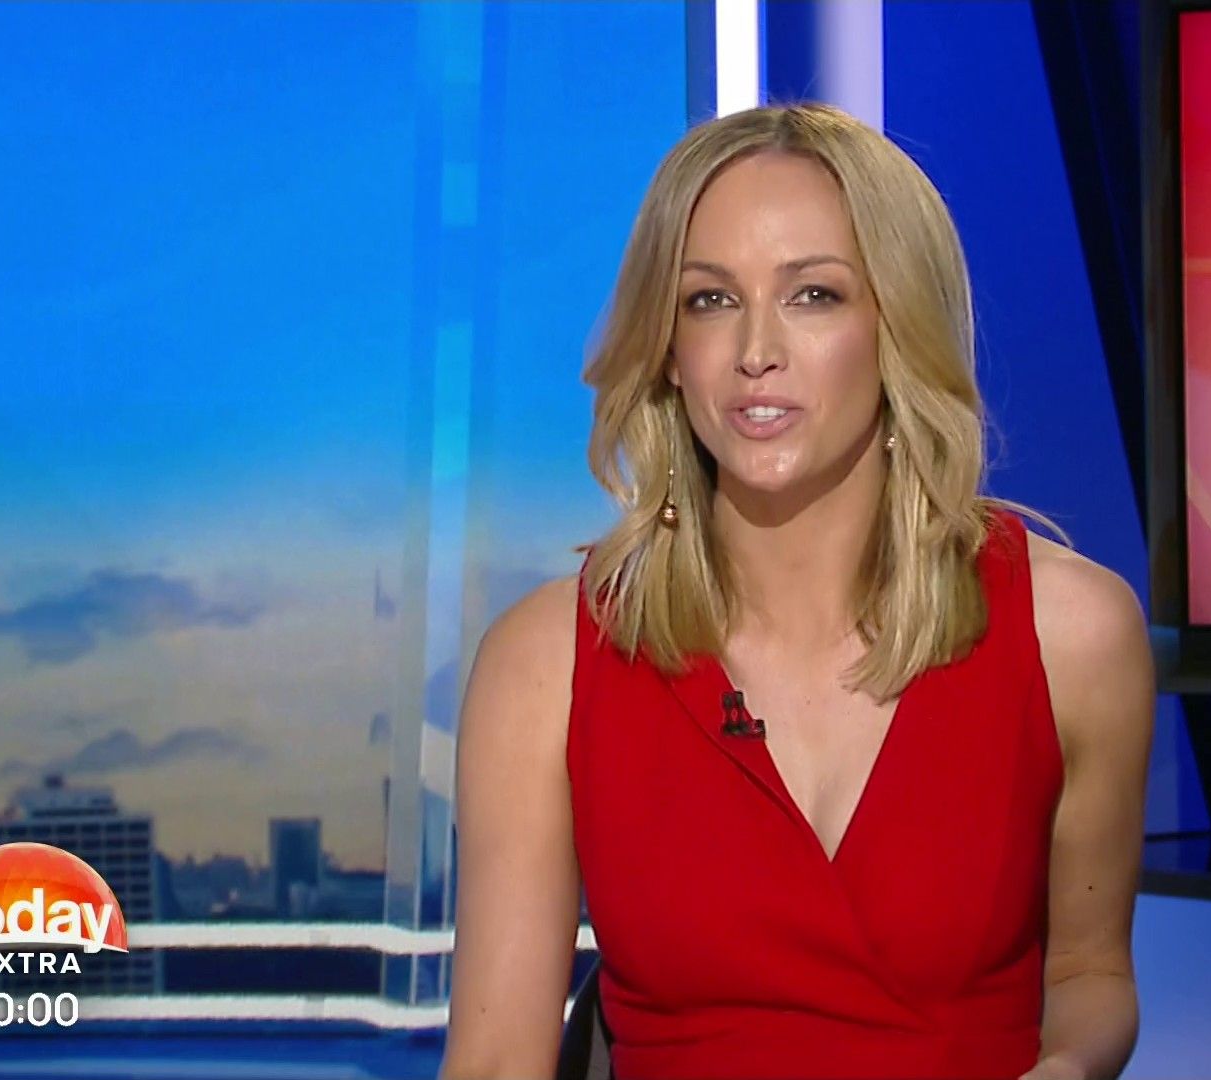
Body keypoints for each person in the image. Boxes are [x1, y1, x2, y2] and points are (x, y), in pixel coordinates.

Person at [439, 102, 1153, 1080]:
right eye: (709, 300)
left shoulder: (1072, 636)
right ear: (668, 352)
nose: (755, 350)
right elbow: (496, 1061)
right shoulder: (545, 666)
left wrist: (1066, 1069)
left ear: (896, 325)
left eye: (813, 295)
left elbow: (1088, 973)